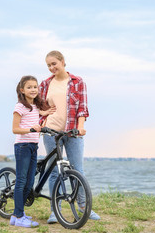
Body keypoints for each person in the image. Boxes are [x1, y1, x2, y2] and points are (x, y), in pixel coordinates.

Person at [39, 50, 101, 224]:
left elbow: (82, 107)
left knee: (77, 170)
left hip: (73, 132)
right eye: (48, 65)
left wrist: (80, 127)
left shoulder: (77, 82)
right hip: (51, 131)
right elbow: (40, 107)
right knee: (53, 172)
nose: (51, 67)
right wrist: (43, 119)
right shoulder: (44, 84)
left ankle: (84, 208)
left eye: (54, 64)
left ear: (63, 61)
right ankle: (54, 211)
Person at [10, 75, 49, 228]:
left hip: (33, 146)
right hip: (23, 146)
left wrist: (46, 113)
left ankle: (15, 215)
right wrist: (31, 129)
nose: (33, 89)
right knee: (21, 181)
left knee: (30, 182)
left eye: (35, 87)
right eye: (29, 87)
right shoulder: (19, 106)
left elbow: (38, 116)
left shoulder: (35, 107)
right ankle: (19, 217)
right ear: (22, 90)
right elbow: (15, 129)